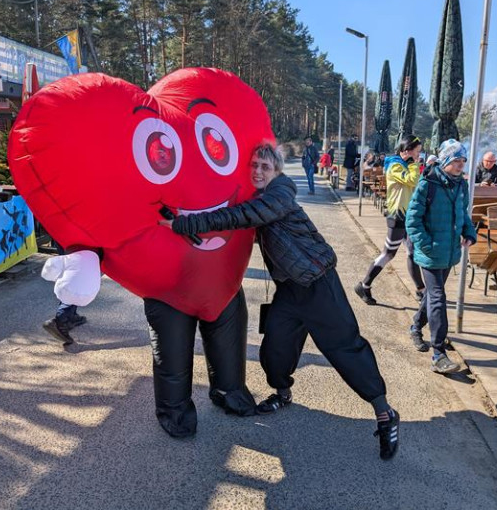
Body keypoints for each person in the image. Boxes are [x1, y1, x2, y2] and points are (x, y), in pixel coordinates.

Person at [163, 143, 400, 460]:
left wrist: (184, 225)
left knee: (344, 348)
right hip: (290, 290)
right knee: (275, 348)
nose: (258, 170)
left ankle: (384, 413)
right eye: (254, 165)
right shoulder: (261, 197)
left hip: (318, 285)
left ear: (276, 171)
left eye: (265, 166)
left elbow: (239, 216)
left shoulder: (279, 195)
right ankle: (283, 393)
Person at [406, 139, 477, 373]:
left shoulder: (461, 185)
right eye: (456, 160)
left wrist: (469, 232)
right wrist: (427, 244)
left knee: (432, 295)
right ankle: (438, 353)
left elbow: (463, 214)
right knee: (438, 297)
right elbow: (412, 220)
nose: (460, 165)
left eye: (463, 161)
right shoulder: (428, 184)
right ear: (445, 160)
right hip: (430, 253)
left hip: (449, 253)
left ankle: (416, 327)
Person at [355, 135, 424, 306]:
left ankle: (421, 289)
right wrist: (416, 163)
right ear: (407, 150)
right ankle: (364, 285)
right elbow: (412, 180)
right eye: (417, 151)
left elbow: (417, 183)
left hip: (408, 215)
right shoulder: (394, 166)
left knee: (412, 252)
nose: (419, 155)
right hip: (397, 216)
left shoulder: (407, 165)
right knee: (388, 253)